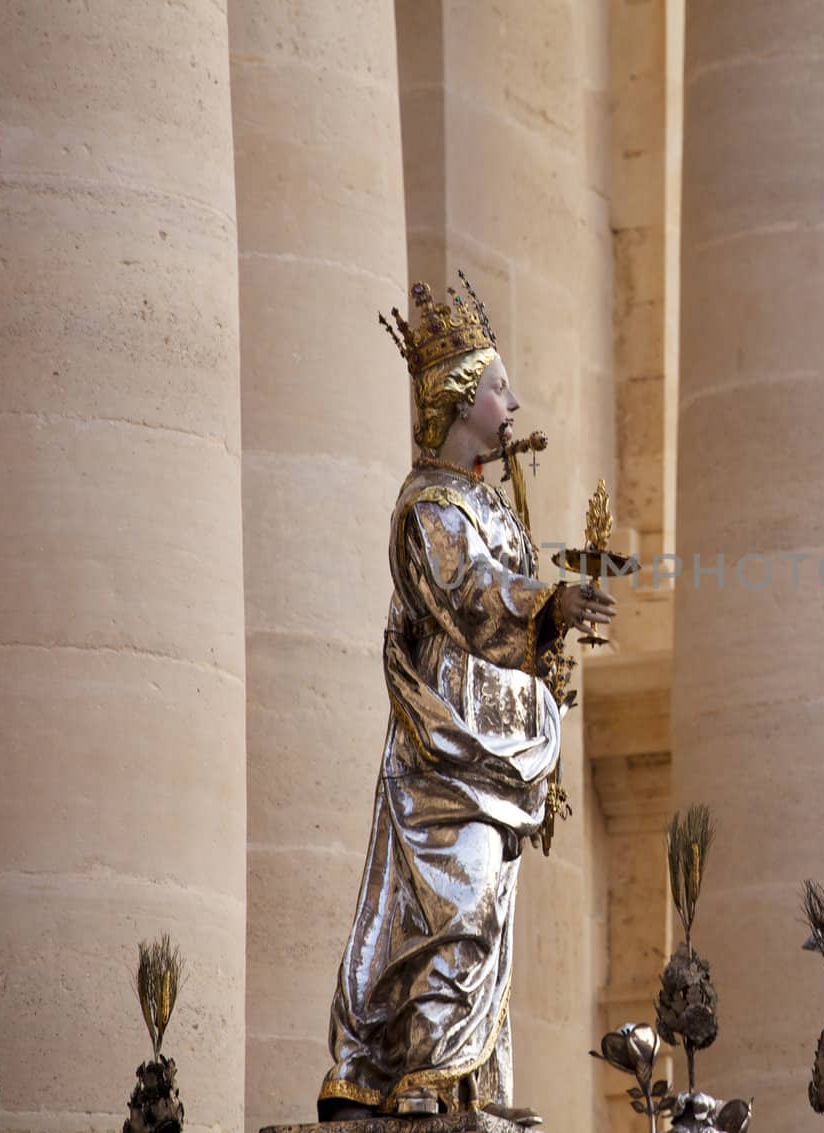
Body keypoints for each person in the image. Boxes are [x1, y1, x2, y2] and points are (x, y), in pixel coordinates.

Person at [317, 275, 616, 1122]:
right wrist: (547, 606)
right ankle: (424, 1076)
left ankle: (463, 1083)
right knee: (457, 901)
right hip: (448, 750)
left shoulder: (487, 502)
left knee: (483, 916)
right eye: (496, 385)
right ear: (458, 398)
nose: (512, 400)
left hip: (496, 749)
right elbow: (471, 593)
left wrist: (554, 632)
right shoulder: (429, 508)